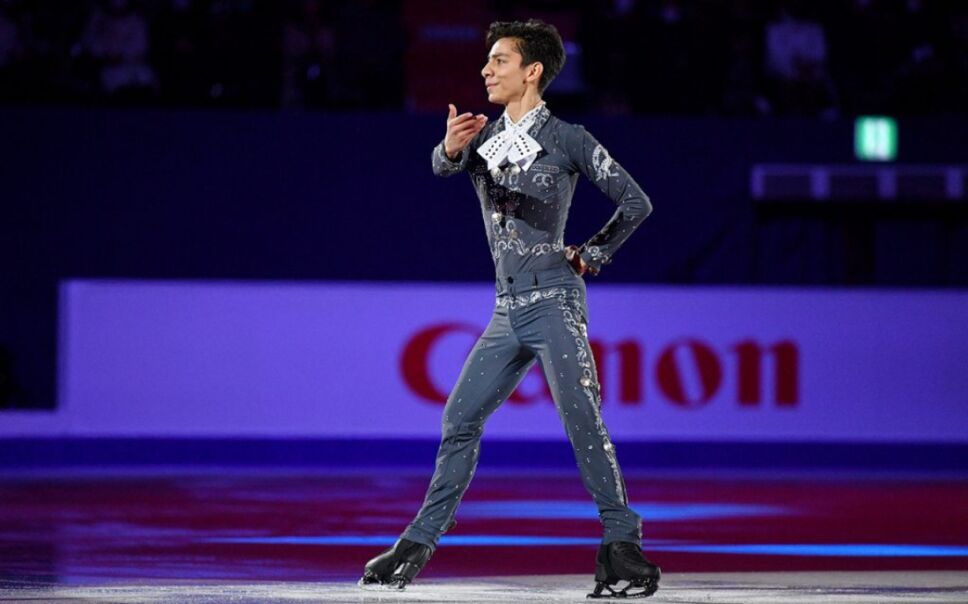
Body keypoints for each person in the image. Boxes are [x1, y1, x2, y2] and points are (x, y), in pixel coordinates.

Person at [360, 19, 660, 599]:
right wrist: (448, 149)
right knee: (458, 418)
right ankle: (418, 543)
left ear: (532, 72)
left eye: (499, 61)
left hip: (554, 304)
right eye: (487, 61)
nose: (485, 70)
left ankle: (621, 543)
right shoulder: (483, 138)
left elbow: (635, 201)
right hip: (506, 311)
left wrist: (592, 253)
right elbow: (441, 166)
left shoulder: (569, 139)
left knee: (581, 421)